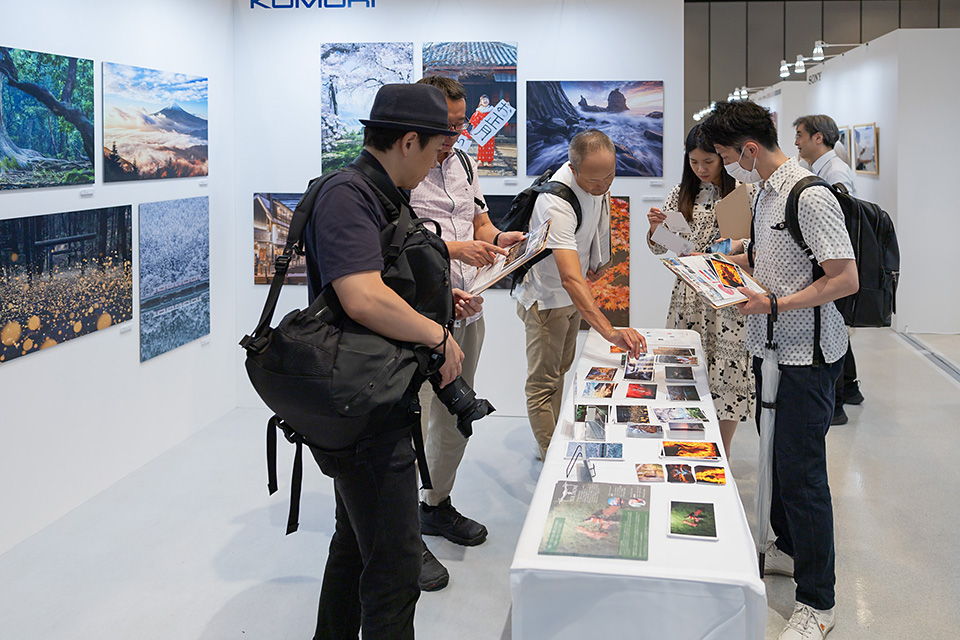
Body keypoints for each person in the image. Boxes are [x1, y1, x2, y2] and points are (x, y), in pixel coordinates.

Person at [302, 83, 475, 640]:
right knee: (397, 571)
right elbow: (361, 294)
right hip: (363, 409)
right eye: (431, 152)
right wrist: (438, 336)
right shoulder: (348, 195)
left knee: (354, 545)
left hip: (378, 394)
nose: (433, 166)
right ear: (406, 141)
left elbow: (393, 279)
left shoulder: (382, 194)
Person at [700, 100, 858, 640]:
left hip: (806, 358)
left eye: (725, 154)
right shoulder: (765, 193)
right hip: (770, 352)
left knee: (802, 473)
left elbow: (844, 278)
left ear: (748, 148)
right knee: (775, 461)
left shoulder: (807, 194)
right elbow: (779, 256)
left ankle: (819, 601)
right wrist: (732, 260)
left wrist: (774, 304)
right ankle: (791, 550)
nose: (724, 164)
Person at [409, 75, 525, 592]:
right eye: (447, 125)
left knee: (457, 410)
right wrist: (454, 252)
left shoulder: (461, 161)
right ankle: (396, 523)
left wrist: (499, 239)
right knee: (406, 417)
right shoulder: (401, 172)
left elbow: (477, 220)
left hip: (467, 310)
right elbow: (398, 245)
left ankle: (435, 503)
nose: (457, 133)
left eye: (461, 123)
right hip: (413, 317)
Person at [514, 129, 646, 459]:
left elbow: (599, 213)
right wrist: (610, 331)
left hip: (570, 300)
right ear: (574, 170)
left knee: (560, 371)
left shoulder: (595, 181)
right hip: (547, 300)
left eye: (610, 176)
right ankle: (552, 457)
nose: (603, 186)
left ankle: (552, 440)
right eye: (594, 180)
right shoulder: (555, 202)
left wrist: (600, 259)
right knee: (543, 382)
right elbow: (570, 278)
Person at [646, 124, 752, 457]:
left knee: (726, 378)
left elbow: (748, 249)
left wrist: (720, 251)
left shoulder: (740, 194)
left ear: (722, 158)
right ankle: (688, 448)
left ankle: (723, 454)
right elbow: (667, 248)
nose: (701, 169)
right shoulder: (681, 194)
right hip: (688, 298)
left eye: (708, 161)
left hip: (727, 300)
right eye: (694, 162)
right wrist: (655, 231)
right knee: (683, 375)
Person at [794, 114, 864, 425]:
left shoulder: (834, 174)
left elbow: (840, 226)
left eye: (800, 135)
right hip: (827, 263)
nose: (796, 141)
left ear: (818, 137)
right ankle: (850, 389)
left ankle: (838, 403)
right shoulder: (818, 170)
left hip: (832, 264)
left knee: (833, 331)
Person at [468, 94, 496, 167]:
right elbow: (474, 122)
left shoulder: (493, 110)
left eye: (486, 99)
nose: (485, 101)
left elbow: (501, 116)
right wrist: (472, 130)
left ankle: (490, 161)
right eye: (483, 100)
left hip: (490, 132)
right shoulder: (478, 111)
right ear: (481, 102)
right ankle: (481, 160)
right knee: (481, 146)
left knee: (490, 147)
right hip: (482, 132)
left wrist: (507, 106)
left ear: (489, 101)